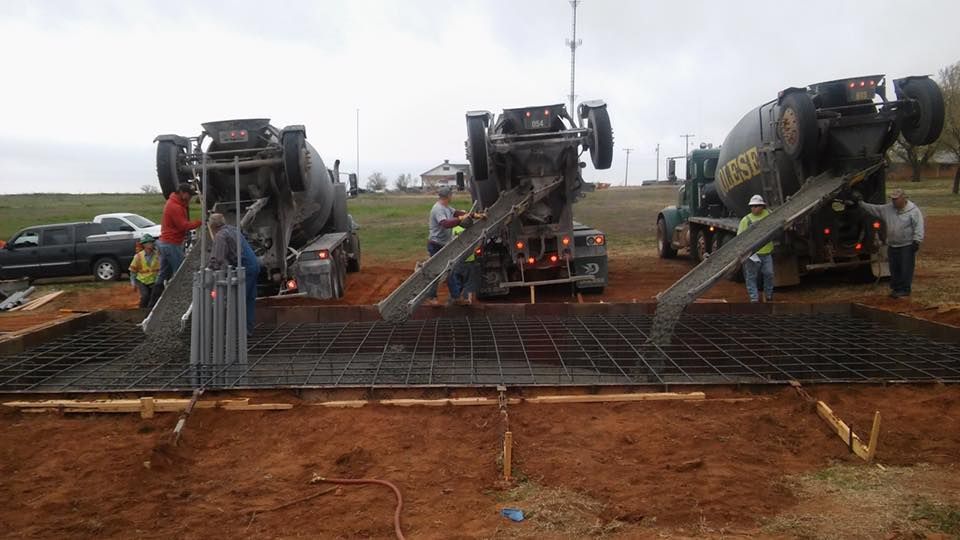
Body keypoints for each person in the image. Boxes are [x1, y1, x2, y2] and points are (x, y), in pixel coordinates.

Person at [858, 188, 924, 298]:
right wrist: (860, 203)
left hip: (907, 245)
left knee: (905, 268)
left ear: (903, 198)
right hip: (893, 244)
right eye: (892, 199)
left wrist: (917, 241)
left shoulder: (913, 211)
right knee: (894, 268)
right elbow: (874, 209)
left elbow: (919, 226)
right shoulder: (888, 208)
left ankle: (905, 289)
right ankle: (896, 288)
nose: (894, 201)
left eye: (896, 199)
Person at [206, 213, 260, 336]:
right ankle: (247, 330)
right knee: (248, 299)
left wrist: (208, 271)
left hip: (245, 267)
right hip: (254, 264)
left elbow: (218, 258)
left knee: (237, 300)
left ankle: (236, 332)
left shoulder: (220, 235)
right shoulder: (233, 229)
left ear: (213, 227)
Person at [426, 187, 470, 304]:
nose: (452, 196)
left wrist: (473, 215)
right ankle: (432, 297)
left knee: (450, 270)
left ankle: (456, 297)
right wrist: (460, 219)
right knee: (436, 272)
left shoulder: (446, 207)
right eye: (451, 195)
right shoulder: (438, 209)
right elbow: (445, 224)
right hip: (436, 245)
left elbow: (456, 212)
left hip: (444, 245)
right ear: (448, 196)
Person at [157, 182, 201, 286]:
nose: (190, 197)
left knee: (163, 274)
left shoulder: (174, 203)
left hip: (166, 243)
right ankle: (181, 294)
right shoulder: (175, 206)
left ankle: (154, 298)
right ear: (182, 193)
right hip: (172, 244)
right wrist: (200, 222)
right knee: (181, 272)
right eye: (189, 195)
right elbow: (184, 226)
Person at [738, 194, 775, 303]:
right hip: (752, 255)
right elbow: (740, 238)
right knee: (751, 277)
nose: (754, 208)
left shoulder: (769, 215)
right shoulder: (747, 220)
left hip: (767, 252)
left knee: (769, 274)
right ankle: (754, 299)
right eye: (752, 206)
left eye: (756, 206)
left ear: (762, 206)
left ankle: (768, 296)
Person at [449, 224, 480, 305]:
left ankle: (456, 298)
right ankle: (468, 299)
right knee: (469, 281)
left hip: (457, 259)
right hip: (469, 259)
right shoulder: (471, 228)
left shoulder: (454, 229)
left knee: (456, 279)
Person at [128, 234, 161, 309]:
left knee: (154, 298)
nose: (151, 244)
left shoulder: (158, 255)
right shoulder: (138, 256)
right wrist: (133, 283)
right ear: (144, 245)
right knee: (145, 296)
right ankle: (141, 311)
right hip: (142, 281)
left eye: (152, 242)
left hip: (154, 281)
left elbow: (162, 269)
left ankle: (150, 312)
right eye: (149, 243)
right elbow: (133, 272)